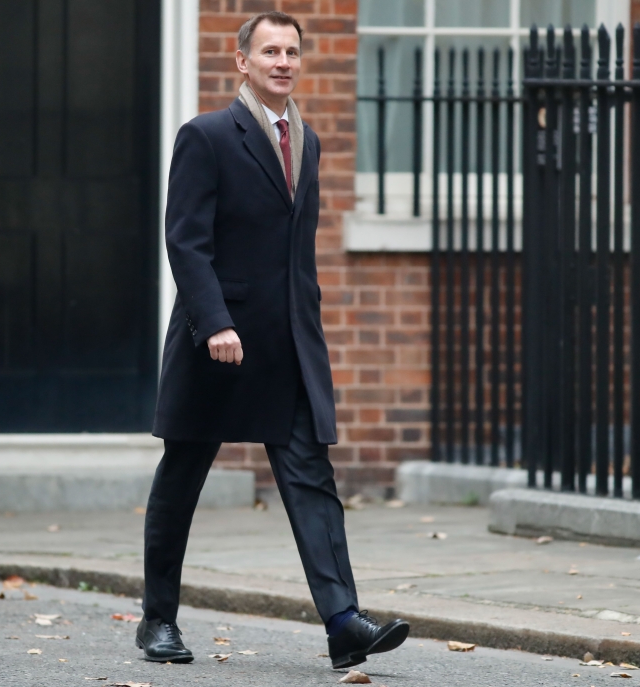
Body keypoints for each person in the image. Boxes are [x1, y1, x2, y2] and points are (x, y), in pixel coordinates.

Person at [137, 11, 409, 670]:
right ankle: (158, 619)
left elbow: (297, 257)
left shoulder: (306, 141)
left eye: (291, 51)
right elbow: (186, 241)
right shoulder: (205, 136)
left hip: (285, 345)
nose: (282, 61)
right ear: (243, 62)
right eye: (269, 51)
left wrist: (309, 335)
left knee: (311, 475)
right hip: (216, 341)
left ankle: (344, 620)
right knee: (183, 474)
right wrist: (216, 321)